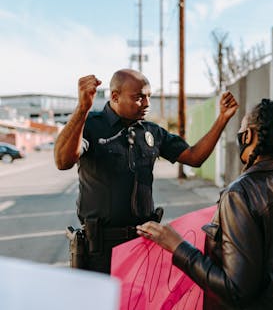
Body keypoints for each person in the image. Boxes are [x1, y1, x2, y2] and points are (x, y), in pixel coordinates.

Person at [54, 69, 238, 274]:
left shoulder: (152, 131)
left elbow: (194, 157)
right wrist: (82, 109)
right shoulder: (90, 125)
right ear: (115, 96)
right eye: (139, 98)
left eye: (149, 97)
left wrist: (222, 119)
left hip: (143, 242)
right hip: (100, 247)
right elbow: (63, 161)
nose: (147, 104)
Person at [137, 99, 273, 309]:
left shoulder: (240, 193)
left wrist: (177, 246)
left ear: (248, 136)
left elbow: (236, 290)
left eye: (241, 128)